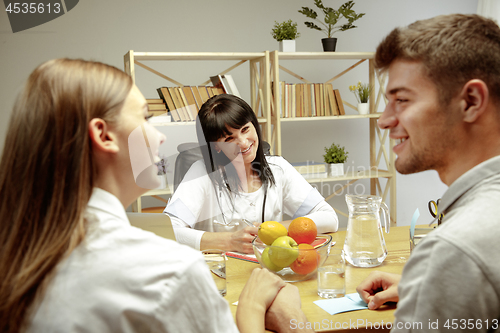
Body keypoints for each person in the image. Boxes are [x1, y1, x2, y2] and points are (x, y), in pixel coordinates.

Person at [0, 58, 313, 333]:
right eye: (145, 118)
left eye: (245, 130)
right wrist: (260, 307)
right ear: (104, 136)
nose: (160, 135)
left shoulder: (21, 254)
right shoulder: (171, 271)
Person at [355, 14, 500, 331]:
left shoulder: (454, 250)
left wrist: (279, 318)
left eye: (401, 99)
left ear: (471, 101)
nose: (384, 120)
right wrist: (422, 285)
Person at [164, 94, 339, 253]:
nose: (243, 142)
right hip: (218, 276)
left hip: (268, 271)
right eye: (229, 139)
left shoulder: (278, 168)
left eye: (245, 129)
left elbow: (329, 218)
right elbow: (167, 231)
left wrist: (275, 229)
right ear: (216, 146)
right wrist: (229, 241)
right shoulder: (201, 172)